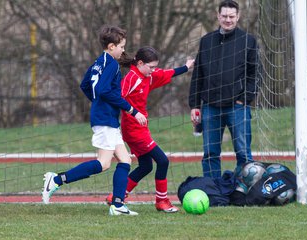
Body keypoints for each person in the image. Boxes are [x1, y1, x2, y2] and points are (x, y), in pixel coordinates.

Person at [42, 25, 147, 216]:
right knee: (103, 163)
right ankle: (57, 180)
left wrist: (98, 103)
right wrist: (132, 110)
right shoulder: (112, 65)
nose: (123, 50)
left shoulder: (100, 61)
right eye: (122, 46)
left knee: (125, 159)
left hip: (105, 117)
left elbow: (85, 85)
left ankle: (117, 205)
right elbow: (104, 90)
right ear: (112, 46)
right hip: (106, 119)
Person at [106, 46, 194, 212]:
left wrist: (186, 67)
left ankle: (117, 196)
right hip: (133, 131)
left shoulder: (148, 75)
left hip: (141, 129)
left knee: (146, 166)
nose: (153, 71)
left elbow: (167, 73)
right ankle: (162, 201)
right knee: (163, 161)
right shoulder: (131, 78)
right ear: (140, 63)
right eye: (151, 67)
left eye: (155, 67)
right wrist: (124, 116)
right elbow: (116, 98)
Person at [188, 0, 260, 179]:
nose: (228, 20)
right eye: (224, 16)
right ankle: (213, 189)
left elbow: (255, 75)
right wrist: (195, 105)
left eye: (231, 16)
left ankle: (244, 189)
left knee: (243, 153)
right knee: (210, 153)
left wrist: (244, 99)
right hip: (210, 107)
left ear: (238, 17)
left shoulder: (248, 41)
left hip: (237, 106)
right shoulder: (206, 41)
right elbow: (198, 74)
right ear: (218, 16)